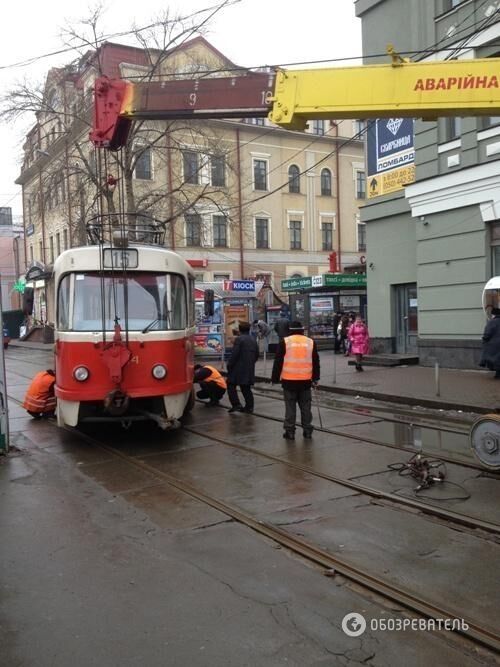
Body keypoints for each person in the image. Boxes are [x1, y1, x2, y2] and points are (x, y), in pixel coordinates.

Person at [271, 321, 320, 440]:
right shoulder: (310, 342)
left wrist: (275, 378)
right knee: (305, 407)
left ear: (290, 330)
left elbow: (278, 361)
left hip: (289, 381)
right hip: (305, 381)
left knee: (290, 407)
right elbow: (315, 362)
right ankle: (307, 430)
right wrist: (315, 378)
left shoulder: (285, 342)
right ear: (302, 330)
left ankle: (290, 431)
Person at [227, 321, 260, 413]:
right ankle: (249, 407)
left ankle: (236, 404)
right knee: (246, 387)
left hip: (238, 368)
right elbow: (257, 354)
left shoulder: (239, 339)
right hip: (249, 367)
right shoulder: (253, 339)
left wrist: (229, 365)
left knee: (230, 385)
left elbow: (235, 354)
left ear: (240, 330)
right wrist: (251, 363)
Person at [479, 307, 500, 378]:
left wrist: (484, 339)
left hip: (494, 345)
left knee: (495, 359)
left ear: (493, 314)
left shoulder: (491, 322)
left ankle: (498, 374)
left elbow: (487, 334)